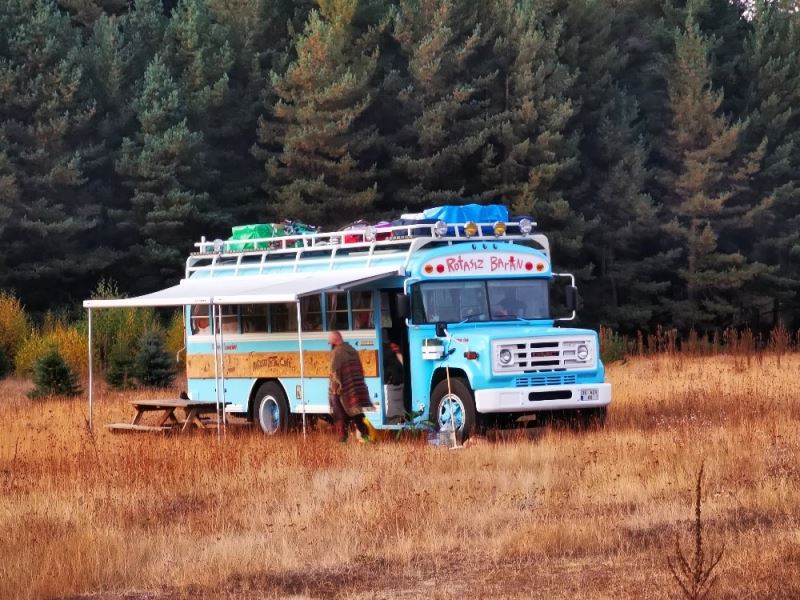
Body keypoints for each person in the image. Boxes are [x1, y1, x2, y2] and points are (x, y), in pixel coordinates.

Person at [328, 330, 375, 443]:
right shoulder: (353, 350)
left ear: (335, 340)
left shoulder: (337, 352)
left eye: (330, 341)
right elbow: (359, 370)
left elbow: (334, 372)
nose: (330, 344)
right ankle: (366, 437)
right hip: (355, 388)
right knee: (356, 413)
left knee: (339, 416)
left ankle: (342, 440)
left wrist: (334, 390)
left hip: (341, 390)